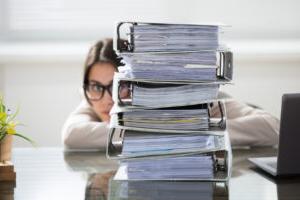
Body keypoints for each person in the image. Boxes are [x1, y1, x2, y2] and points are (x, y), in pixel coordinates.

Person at [61, 38, 279, 150]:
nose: (108, 99)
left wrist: (181, 127)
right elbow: (73, 134)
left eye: (117, 86)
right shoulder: (93, 98)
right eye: (97, 86)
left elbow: (271, 127)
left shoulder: (185, 94)